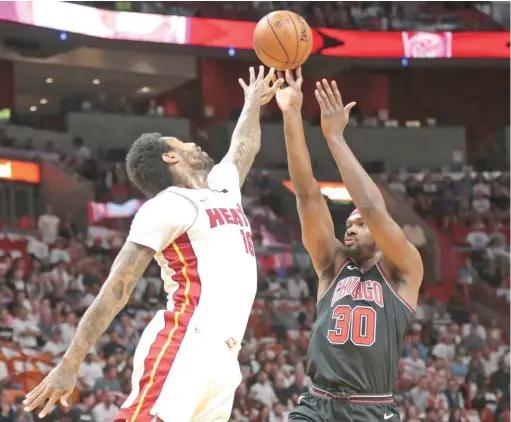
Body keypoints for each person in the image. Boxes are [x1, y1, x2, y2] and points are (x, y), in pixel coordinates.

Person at [23, 66, 284, 422]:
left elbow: (243, 146)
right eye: (182, 143)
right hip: (186, 343)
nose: (194, 143)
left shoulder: (223, 187)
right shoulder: (168, 205)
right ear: (170, 157)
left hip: (226, 357)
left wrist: (253, 103)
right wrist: (70, 364)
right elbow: (117, 286)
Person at [275, 67, 423, 422]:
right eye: (348, 224)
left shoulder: (404, 270)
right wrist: (292, 115)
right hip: (316, 405)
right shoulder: (332, 265)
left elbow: (372, 208)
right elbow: (308, 196)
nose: (350, 230)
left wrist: (334, 138)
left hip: (370, 408)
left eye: (359, 225)